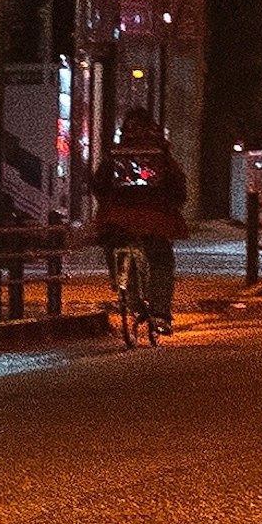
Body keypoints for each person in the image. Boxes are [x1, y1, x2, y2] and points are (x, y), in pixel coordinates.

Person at [94, 102, 185, 344]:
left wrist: (107, 203)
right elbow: (177, 184)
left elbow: (99, 182)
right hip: (155, 217)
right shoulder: (160, 151)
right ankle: (160, 313)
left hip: (119, 216)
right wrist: (173, 204)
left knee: (113, 246)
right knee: (161, 260)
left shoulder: (117, 151)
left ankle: (128, 297)